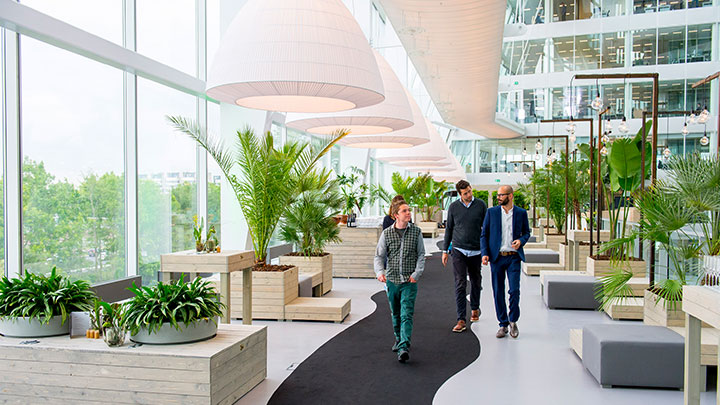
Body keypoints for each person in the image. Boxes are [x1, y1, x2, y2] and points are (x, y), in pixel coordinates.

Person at [374, 200, 425, 363]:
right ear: (396, 215)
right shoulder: (387, 234)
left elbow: (421, 255)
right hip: (392, 280)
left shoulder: (416, 232)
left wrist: (417, 274)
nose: (409, 213)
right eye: (405, 211)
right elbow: (379, 256)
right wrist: (380, 272)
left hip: (409, 281)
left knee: (406, 313)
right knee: (395, 313)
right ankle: (398, 338)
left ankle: (404, 346)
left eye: (409, 210)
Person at [481, 185, 531, 339]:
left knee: (514, 290)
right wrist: (485, 254)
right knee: (498, 291)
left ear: (511, 196)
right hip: (497, 257)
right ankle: (503, 324)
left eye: (502, 195)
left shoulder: (521, 213)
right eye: (498, 195)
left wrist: (521, 241)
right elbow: (484, 235)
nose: (499, 198)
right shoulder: (492, 212)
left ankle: (513, 321)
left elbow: (527, 233)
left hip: (513, 257)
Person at [442, 180, 487, 333]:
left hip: (476, 250)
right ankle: (461, 319)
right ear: (460, 194)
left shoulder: (480, 205)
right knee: (460, 283)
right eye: (465, 193)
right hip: (459, 249)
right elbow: (449, 228)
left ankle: (474, 307)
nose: (469, 194)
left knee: (476, 281)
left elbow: (486, 228)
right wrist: (444, 251)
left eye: (469, 191)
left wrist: (486, 251)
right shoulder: (454, 207)